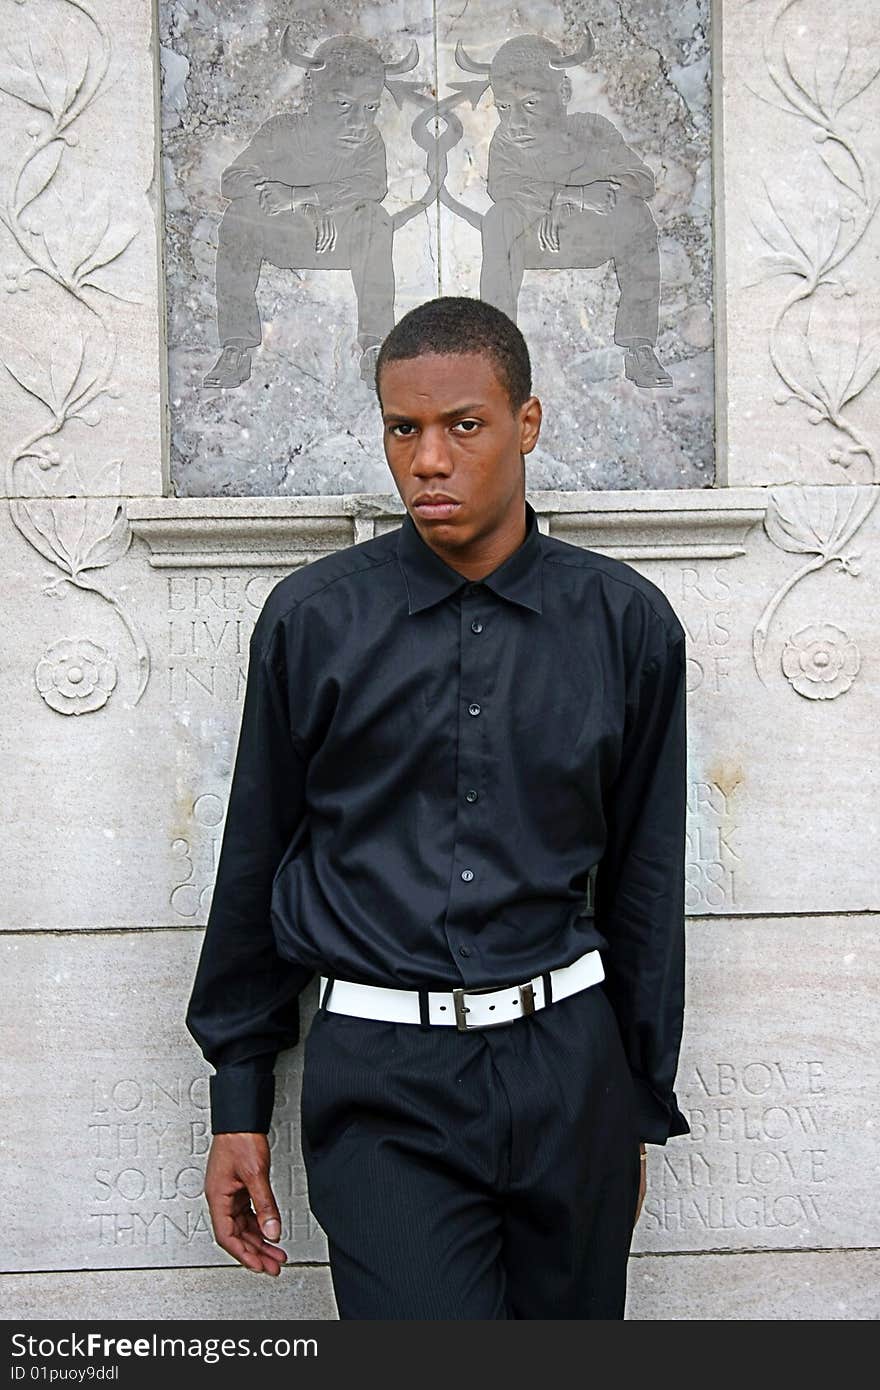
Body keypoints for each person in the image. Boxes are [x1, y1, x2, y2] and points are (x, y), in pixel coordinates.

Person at [185, 295, 690, 1319]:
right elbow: (256, 856)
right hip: (384, 1085)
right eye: (402, 429)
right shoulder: (313, 621)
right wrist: (235, 1099)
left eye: (463, 425)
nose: (428, 459)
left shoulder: (624, 623)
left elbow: (645, 875)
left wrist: (628, 1105)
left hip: (568, 1070)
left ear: (527, 424)